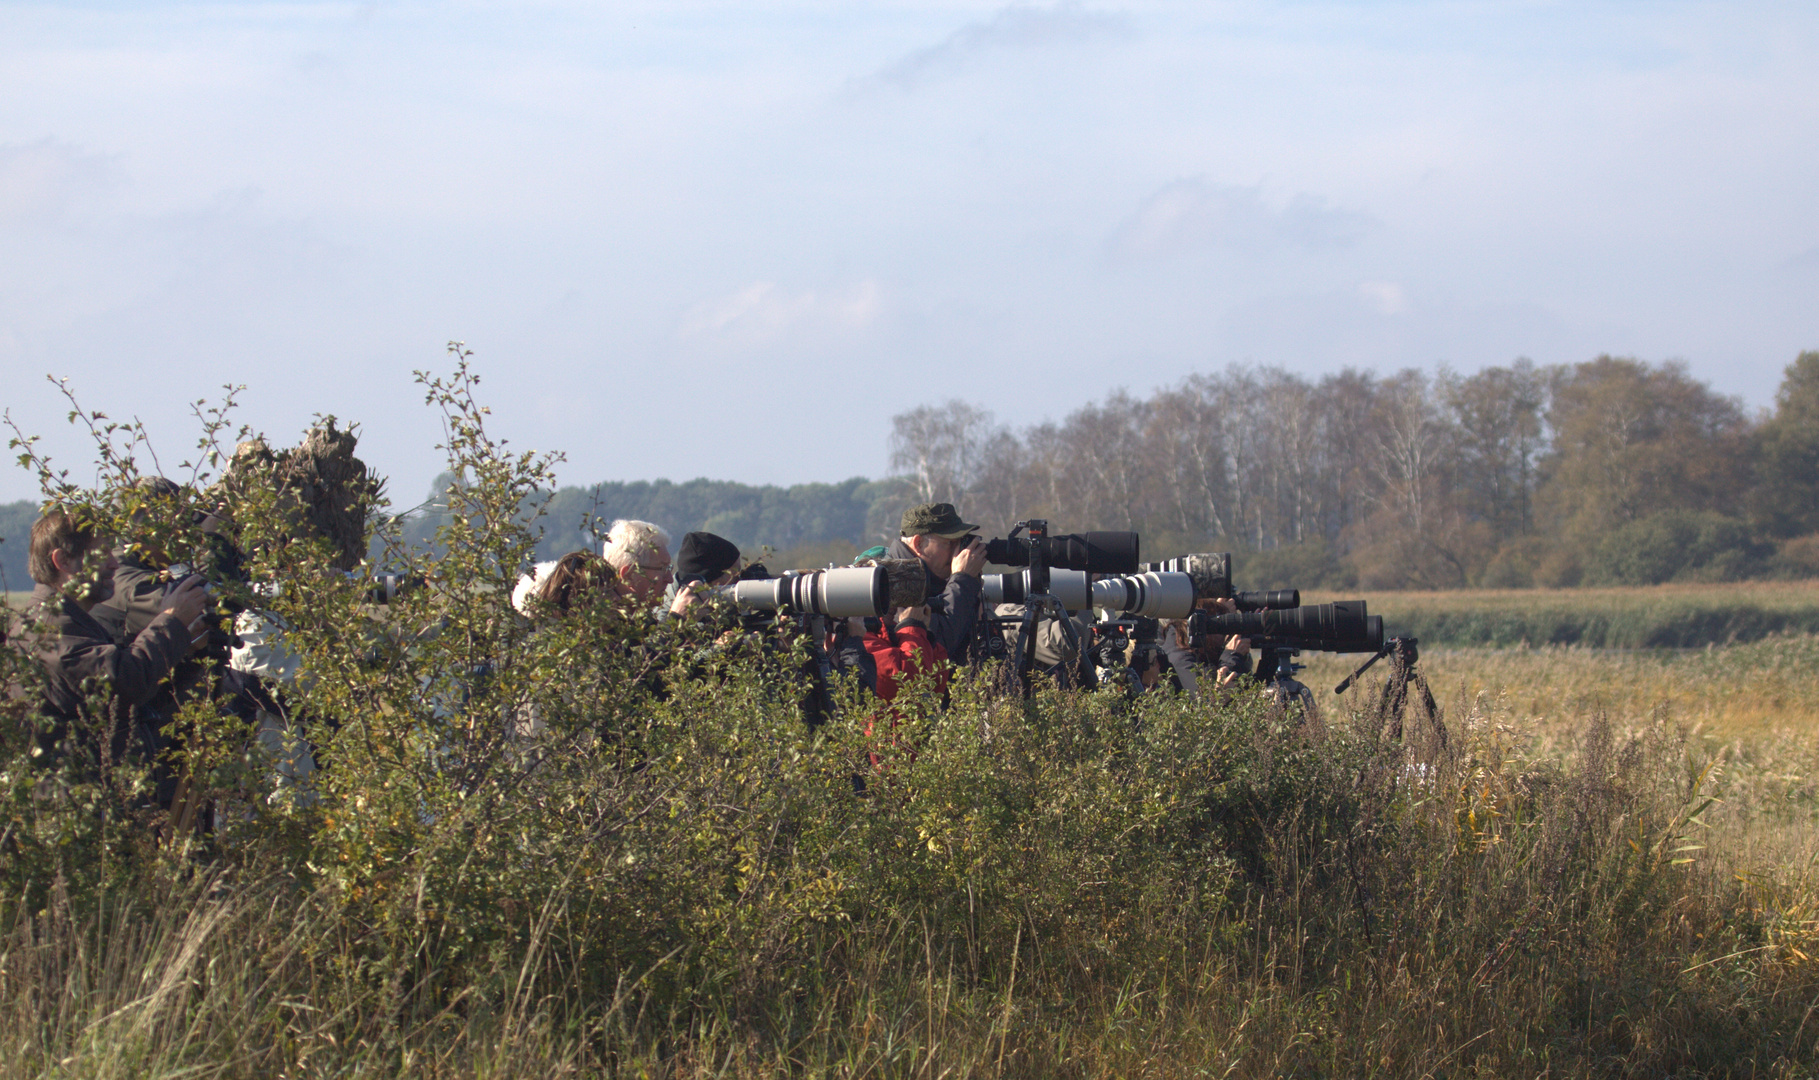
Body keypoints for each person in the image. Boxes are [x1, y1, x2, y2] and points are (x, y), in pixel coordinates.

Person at [20, 509, 209, 783]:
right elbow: (123, 682)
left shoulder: (69, 620)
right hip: (74, 804)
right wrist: (171, 622)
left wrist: (186, 645)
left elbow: (131, 701)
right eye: (103, 553)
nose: (114, 564)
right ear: (63, 561)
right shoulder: (49, 628)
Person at [884, 503, 988, 662]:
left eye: (960, 542)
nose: (958, 551)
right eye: (949, 543)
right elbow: (941, 643)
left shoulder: (931, 579)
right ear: (919, 544)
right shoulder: (894, 582)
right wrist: (962, 579)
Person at [601, 519, 673, 612]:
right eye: (662, 568)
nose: (670, 579)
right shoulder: (606, 623)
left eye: (668, 568)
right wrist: (677, 617)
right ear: (628, 575)